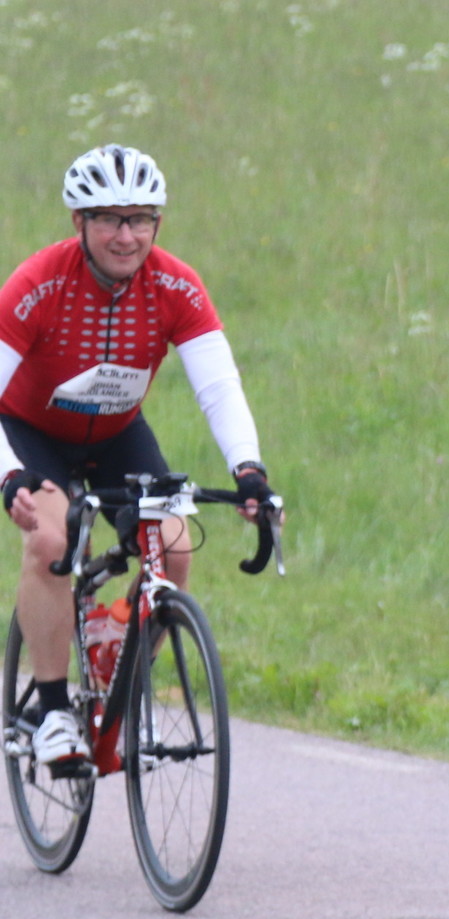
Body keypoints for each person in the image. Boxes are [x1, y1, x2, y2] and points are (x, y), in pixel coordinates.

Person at [0, 144, 273, 776]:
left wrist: (249, 470)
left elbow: (218, 386)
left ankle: (118, 663)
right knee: (53, 540)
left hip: (116, 434)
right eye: (109, 219)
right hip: (31, 432)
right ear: (80, 223)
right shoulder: (38, 283)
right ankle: (52, 711)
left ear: (157, 222)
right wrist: (10, 475)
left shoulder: (176, 285)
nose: (126, 236)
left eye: (140, 219)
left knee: (173, 549)